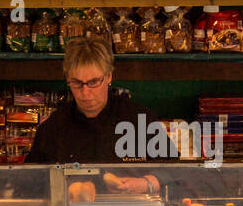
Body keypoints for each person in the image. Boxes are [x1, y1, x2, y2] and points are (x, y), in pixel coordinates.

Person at [24, 36, 161, 194]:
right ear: (68, 79)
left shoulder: (139, 119)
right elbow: (29, 184)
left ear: (109, 76)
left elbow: (177, 173)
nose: (85, 93)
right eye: (76, 83)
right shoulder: (53, 127)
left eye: (94, 82)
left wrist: (146, 183)